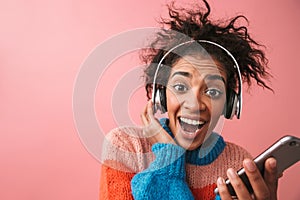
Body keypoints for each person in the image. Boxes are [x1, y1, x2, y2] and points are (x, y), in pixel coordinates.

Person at [99, 1, 279, 199]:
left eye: (212, 91)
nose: (194, 104)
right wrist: (169, 157)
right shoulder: (126, 146)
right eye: (180, 87)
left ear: (229, 104)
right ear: (161, 95)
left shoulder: (239, 164)